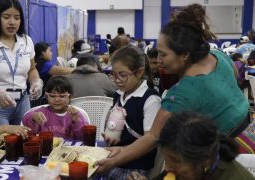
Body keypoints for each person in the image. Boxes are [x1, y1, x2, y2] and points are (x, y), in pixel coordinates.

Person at [96, 3, 249, 173]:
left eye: (164, 54)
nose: (159, 60)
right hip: (249, 130)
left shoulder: (182, 93)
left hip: (234, 150)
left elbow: (153, 137)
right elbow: (235, 75)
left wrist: (113, 161)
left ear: (185, 54)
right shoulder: (218, 56)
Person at [0, 0, 43, 126]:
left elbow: (32, 69)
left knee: (24, 141)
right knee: (1, 143)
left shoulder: (26, 41)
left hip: (23, 102)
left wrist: (36, 81)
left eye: (17, 18)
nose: (12, 22)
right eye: (6, 17)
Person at [128, 111, 255, 180]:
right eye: (166, 159)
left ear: (205, 159)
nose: (167, 168)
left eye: (175, 160)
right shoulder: (185, 171)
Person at [102, 45, 161, 179]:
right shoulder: (118, 94)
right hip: (115, 159)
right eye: (113, 74)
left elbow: (149, 143)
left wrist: (121, 150)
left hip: (136, 167)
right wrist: (112, 137)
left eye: (122, 75)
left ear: (139, 72)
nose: (117, 80)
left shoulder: (151, 100)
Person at [22, 76, 88, 140]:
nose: (56, 99)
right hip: (46, 148)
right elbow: (26, 125)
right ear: (47, 96)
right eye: (52, 96)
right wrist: (33, 116)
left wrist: (77, 121)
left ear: (70, 97)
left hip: (68, 150)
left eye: (62, 96)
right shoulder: (42, 112)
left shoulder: (74, 114)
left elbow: (84, 137)